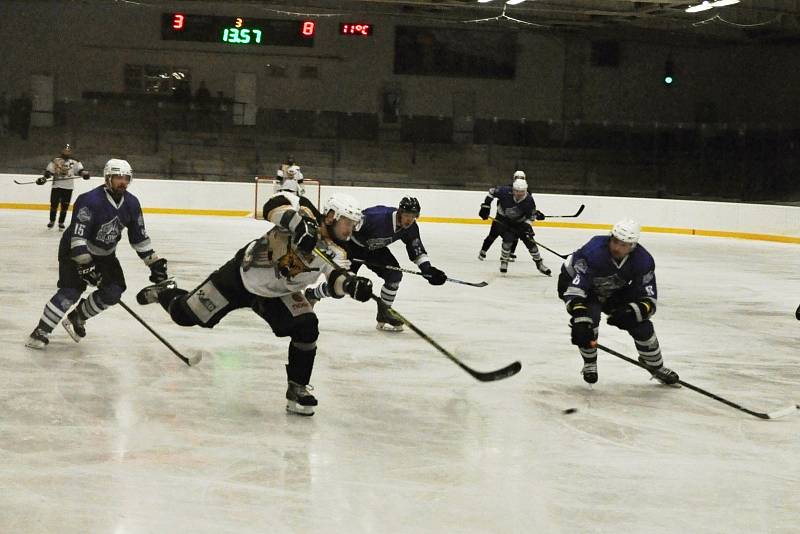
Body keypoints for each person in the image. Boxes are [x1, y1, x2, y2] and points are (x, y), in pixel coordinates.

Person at [135, 191, 373, 416]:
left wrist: (352, 286)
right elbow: (272, 205)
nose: (351, 229)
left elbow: (336, 278)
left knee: (307, 326)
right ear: (331, 216)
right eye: (347, 222)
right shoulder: (306, 213)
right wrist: (297, 224)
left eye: (353, 224)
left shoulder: (338, 252)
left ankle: (297, 388)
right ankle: (164, 292)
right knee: (184, 315)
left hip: (278, 294)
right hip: (240, 276)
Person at [26, 159, 169, 350]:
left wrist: (154, 262)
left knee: (113, 291)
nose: (123, 182)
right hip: (74, 250)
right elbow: (78, 236)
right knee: (72, 290)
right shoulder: (89, 200)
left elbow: (139, 238)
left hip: (105, 255)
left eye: (126, 178)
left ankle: (78, 316)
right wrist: (85, 264)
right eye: (118, 177)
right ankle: (41, 331)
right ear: (108, 178)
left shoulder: (132, 203)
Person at [557, 219, 679, 385]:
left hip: (612, 289)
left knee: (641, 325)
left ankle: (655, 366)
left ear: (633, 246)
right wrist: (579, 315)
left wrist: (633, 311)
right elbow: (577, 289)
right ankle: (589, 363)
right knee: (587, 321)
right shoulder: (594, 252)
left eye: (624, 245)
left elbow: (648, 298)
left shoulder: (643, 261)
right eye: (615, 242)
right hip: (574, 283)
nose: (617, 248)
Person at [347, 197, 447, 331]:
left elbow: (416, 249)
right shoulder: (376, 216)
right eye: (406, 215)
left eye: (413, 216)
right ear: (400, 213)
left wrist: (428, 269)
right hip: (353, 247)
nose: (409, 220)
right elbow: (347, 226)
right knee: (343, 283)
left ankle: (384, 313)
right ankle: (315, 294)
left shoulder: (411, 228)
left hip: (375, 249)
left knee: (394, 275)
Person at [478, 175, 550, 276]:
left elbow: (531, 217)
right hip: (505, 220)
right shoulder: (505, 191)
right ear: (513, 189)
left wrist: (525, 226)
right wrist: (486, 205)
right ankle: (504, 261)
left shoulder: (529, 201)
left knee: (531, 244)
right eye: (517, 191)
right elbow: (491, 192)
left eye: (522, 192)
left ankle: (539, 263)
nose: (519, 194)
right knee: (507, 241)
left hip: (521, 222)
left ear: (525, 190)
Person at [477, 170, 532, 263]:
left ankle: (510, 253)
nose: (519, 180)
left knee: (515, 236)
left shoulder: (527, 192)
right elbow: (492, 192)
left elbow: (528, 206)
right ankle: (483, 251)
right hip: (501, 217)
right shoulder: (506, 189)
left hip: (516, 219)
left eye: (521, 178)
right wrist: (486, 206)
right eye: (517, 178)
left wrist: (534, 213)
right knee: (493, 234)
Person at [37, 144, 90, 229]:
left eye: (68, 150)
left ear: (71, 151)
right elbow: (49, 172)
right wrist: (44, 178)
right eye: (65, 150)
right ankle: (52, 220)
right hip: (56, 186)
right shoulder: (55, 160)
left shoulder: (75, 161)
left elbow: (80, 170)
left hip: (68, 187)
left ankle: (61, 222)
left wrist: (85, 174)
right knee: (54, 204)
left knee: (65, 206)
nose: (67, 152)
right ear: (62, 150)